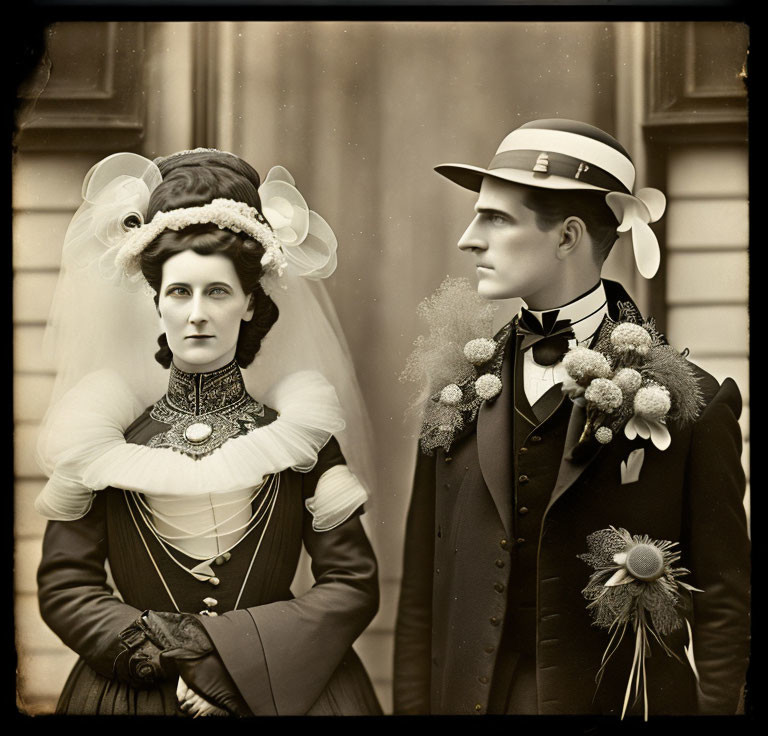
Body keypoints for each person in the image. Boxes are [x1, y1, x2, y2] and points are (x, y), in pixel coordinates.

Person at [394, 119, 750, 717]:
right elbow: (420, 599)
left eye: (496, 219)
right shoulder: (455, 390)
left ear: (567, 237)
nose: (468, 239)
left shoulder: (689, 401)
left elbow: (725, 604)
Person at [35, 149, 382, 716]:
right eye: (180, 292)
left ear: (249, 304)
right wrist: (174, 654)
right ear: (157, 304)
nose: (197, 313)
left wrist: (231, 665)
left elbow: (350, 585)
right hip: (137, 691)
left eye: (217, 292)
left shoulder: (301, 438)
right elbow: (67, 586)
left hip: (277, 688)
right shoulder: (105, 443)